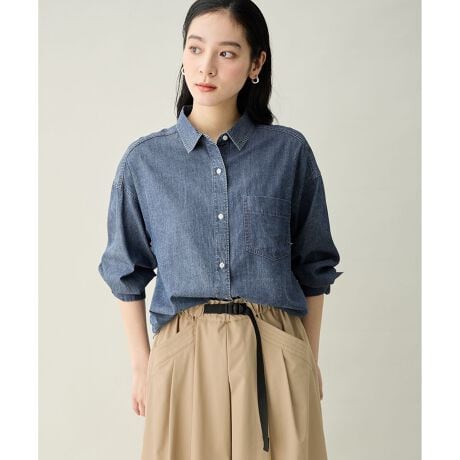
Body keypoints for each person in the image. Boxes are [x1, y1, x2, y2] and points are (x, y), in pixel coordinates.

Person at [98, 1, 343, 458]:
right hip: (183, 352)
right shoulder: (145, 162)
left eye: (226, 53)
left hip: (274, 346)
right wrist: (142, 367)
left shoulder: (288, 153)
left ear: (256, 63)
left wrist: (307, 359)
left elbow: (314, 266)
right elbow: (125, 271)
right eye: (195, 49)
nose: (205, 67)